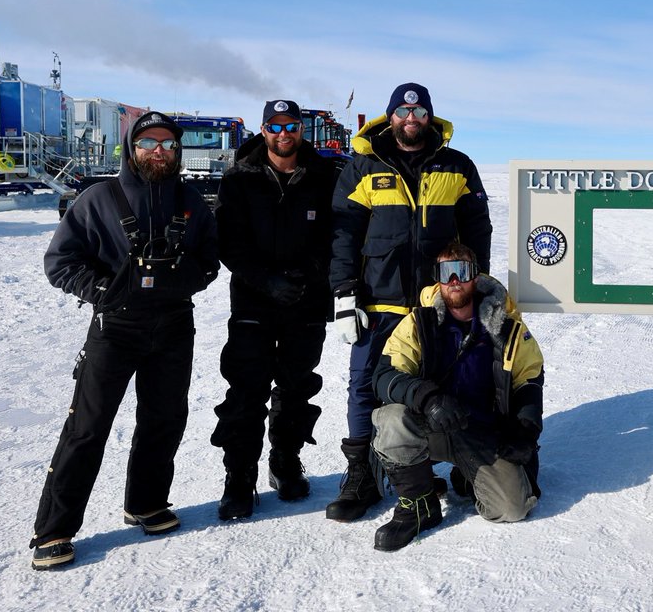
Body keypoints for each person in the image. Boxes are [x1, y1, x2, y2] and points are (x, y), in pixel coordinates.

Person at [30, 111, 219, 570]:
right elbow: (60, 261)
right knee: (88, 426)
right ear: (131, 149)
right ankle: (54, 529)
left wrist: (188, 278)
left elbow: (210, 258)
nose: (160, 151)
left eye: (168, 144)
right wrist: (100, 291)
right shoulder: (98, 199)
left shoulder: (191, 200)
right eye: (149, 143)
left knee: (165, 418)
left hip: (174, 325)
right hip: (115, 328)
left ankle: (146, 502)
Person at [328, 82, 493, 522]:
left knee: (448, 381)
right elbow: (343, 235)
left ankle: (456, 463)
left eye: (419, 114)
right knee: (365, 385)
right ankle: (361, 471)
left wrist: (479, 284)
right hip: (378, 301)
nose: (411, 120)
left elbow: (477, 230)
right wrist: (344, 293)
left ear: (429, 118)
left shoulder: (457, 166)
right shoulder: (362, 166)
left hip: (439, 302)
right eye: (403, 112)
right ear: (391, 117)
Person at [210, 100, 341, 519]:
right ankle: (239, 476)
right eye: (274, 126)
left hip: (306, 299)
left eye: (291, 126)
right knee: (247, 389)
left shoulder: (324, 176)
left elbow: (334, 237)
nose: (283, 134)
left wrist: (305, 276)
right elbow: (229, 242)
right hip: (253, 299)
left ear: (301, 130)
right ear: (263, 129)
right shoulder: (239, 179)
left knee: (296, 385)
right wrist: (267, 282)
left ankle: (285, 461)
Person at [368, 242, 542, 550]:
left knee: (511, 508)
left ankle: (469, 473)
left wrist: (525, 430)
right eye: (446, 272)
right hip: (430, 423)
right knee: (392, 417)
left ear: (475, 276)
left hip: (479, 430)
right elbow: (384, 376)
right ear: (437, 278)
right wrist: (428, 398)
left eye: (461, 271)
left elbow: (529, 380)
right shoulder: (418, 323)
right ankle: (419, 504)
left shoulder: (506, 327)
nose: (453, 281)